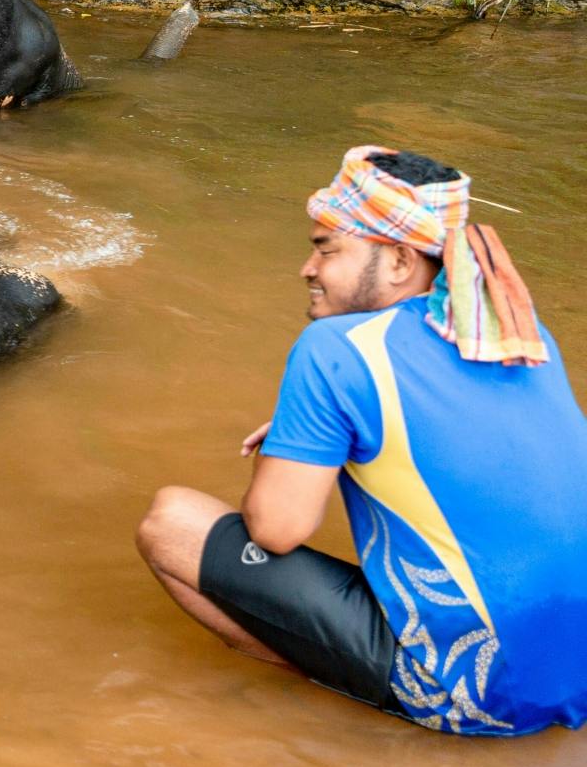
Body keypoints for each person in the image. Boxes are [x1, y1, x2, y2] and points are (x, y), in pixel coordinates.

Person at [136, 145, 587, 735]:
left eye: (327, 248)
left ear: (400, 261)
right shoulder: (517, 327)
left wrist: (291, 442)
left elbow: (277, 528)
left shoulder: (337, 350)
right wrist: (323, 433)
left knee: (169, 523)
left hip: (486, 694)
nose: (308, 268)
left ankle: (358, 706)